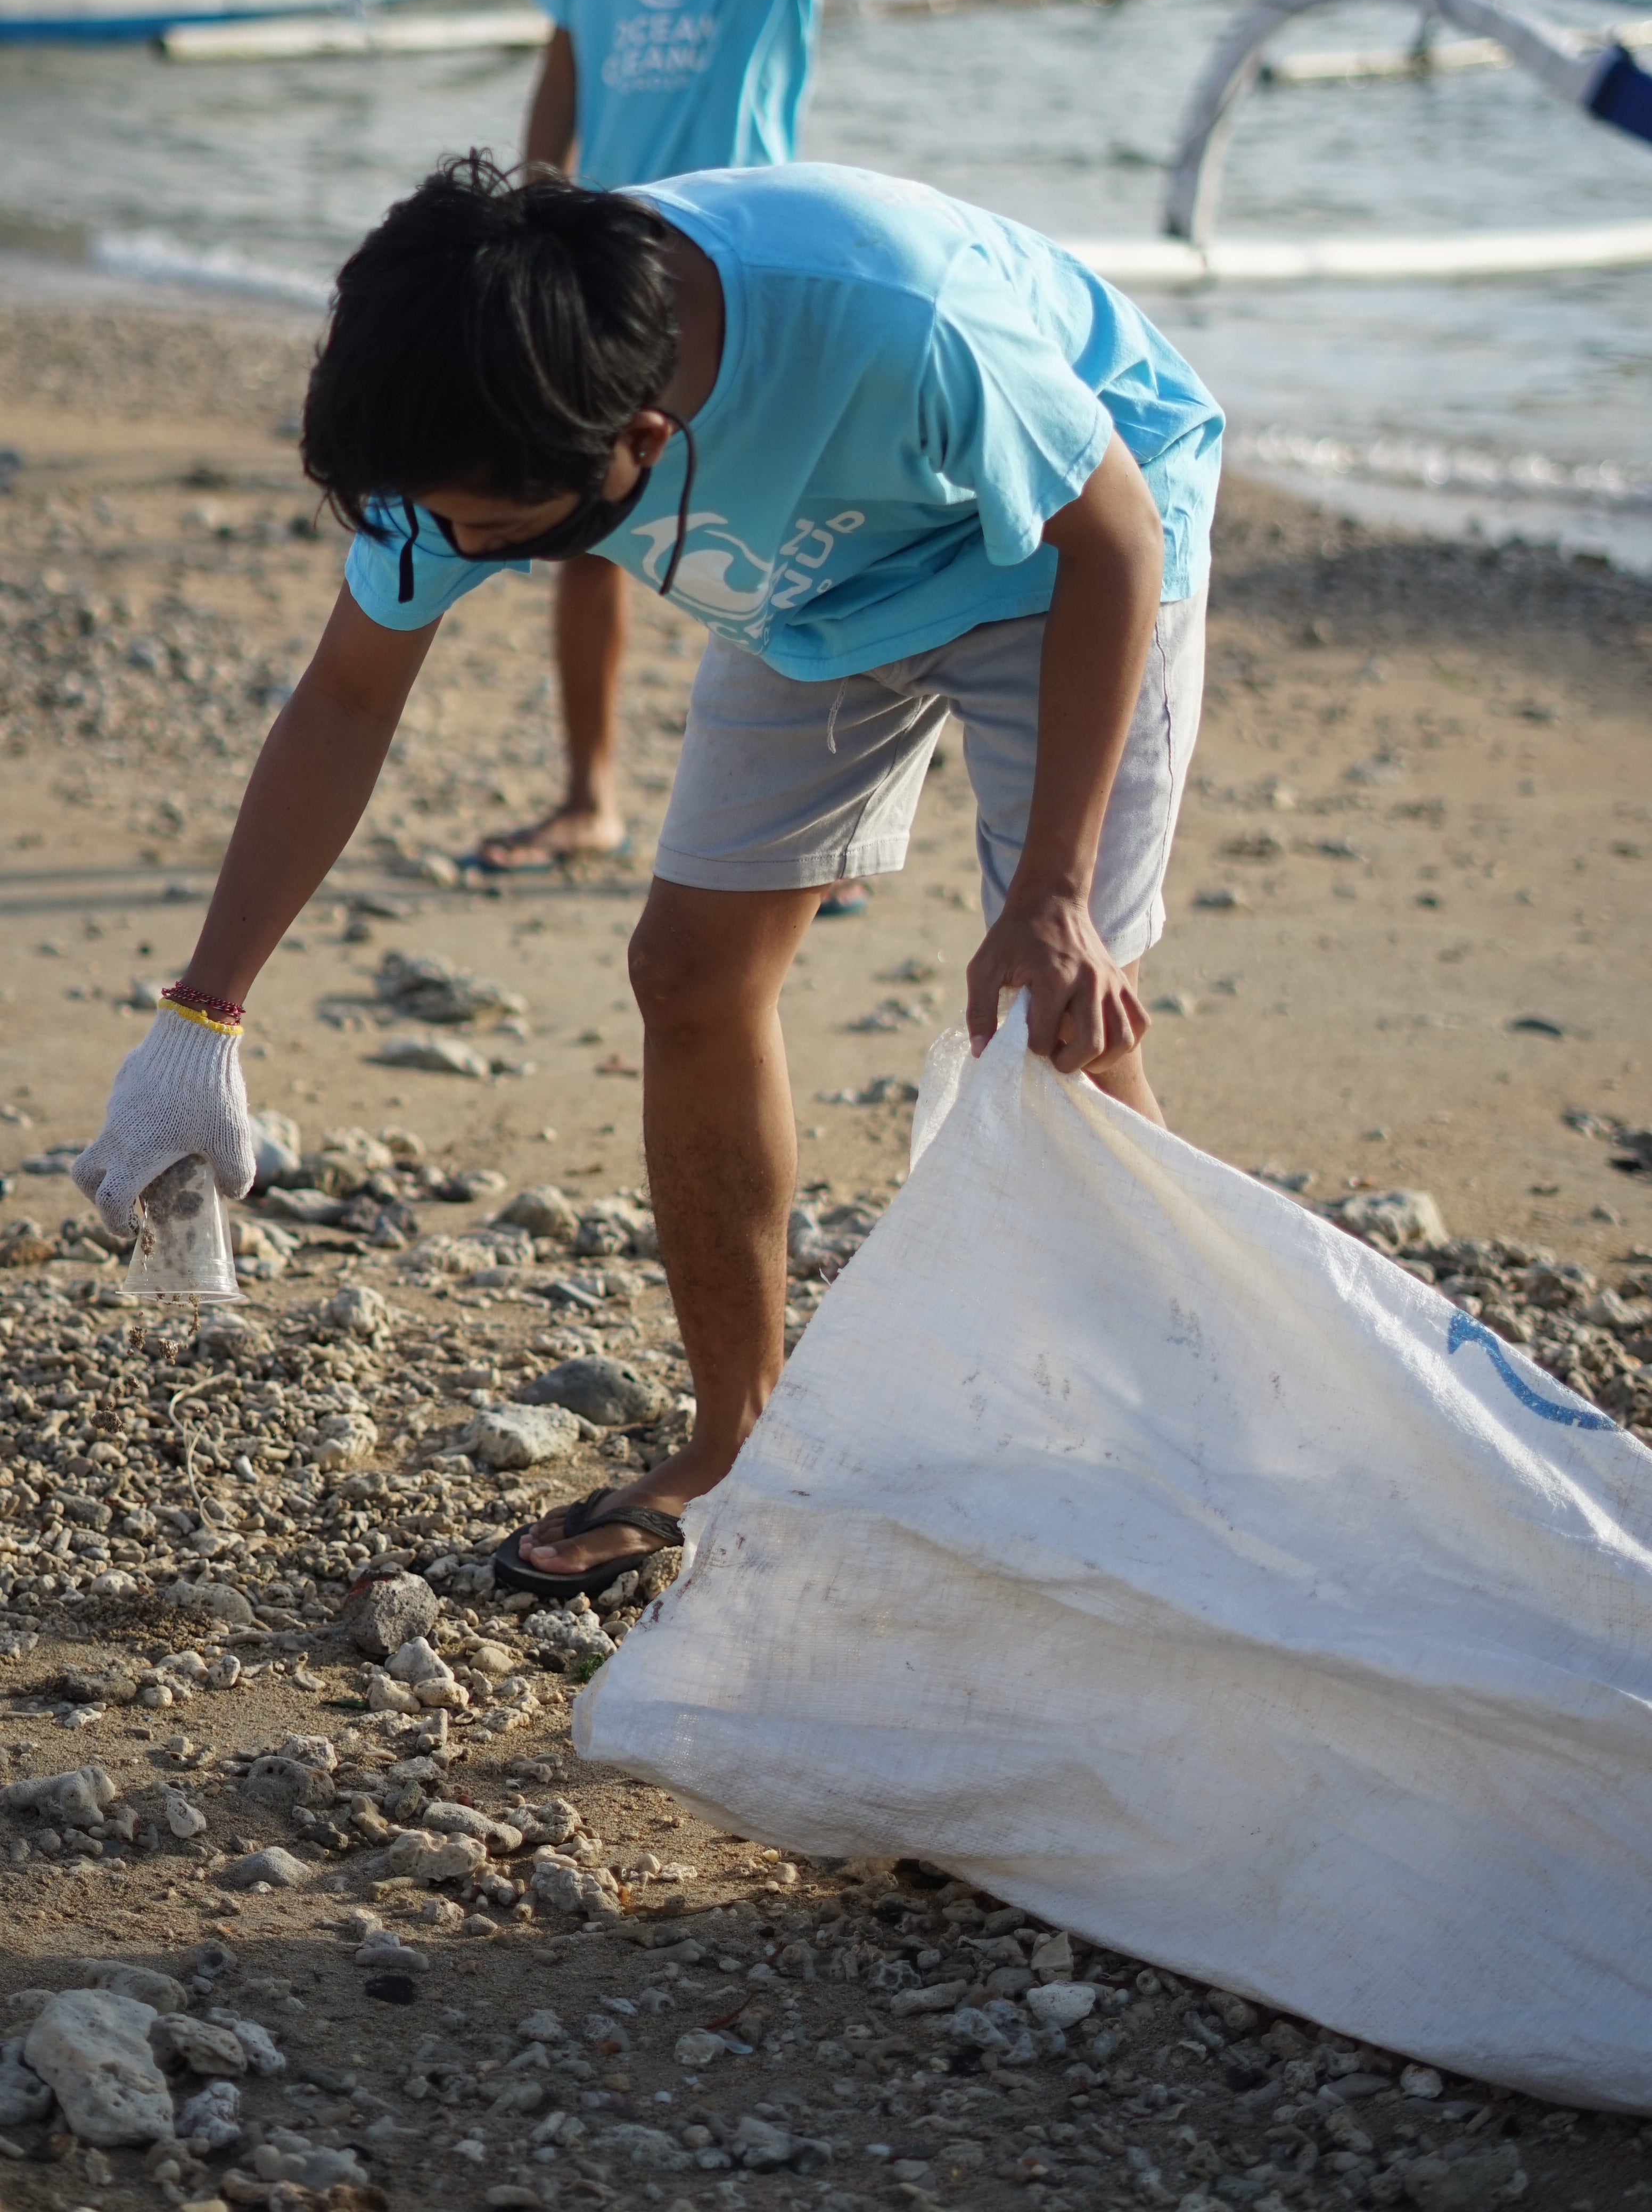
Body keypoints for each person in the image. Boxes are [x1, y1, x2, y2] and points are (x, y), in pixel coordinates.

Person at [73, 157, 1224, 1609]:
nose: (460, 554)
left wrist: (1051, 895)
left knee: (1060, 1031)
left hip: (1064, 556)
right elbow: (347, 700)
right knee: (687, 973)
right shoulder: (469, 406)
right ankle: (742, 1440)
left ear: (646, 436)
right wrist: (203, 1013)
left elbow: (1109, 530)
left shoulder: (894, 319)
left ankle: (1205, 1445)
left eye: (497, 532)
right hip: (812, 592)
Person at [472, 0, 863, 875]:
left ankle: (812, 827)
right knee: (585, 518)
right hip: (607, 253)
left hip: (747, 257)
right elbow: (569, 57)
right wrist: (531, 212)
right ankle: (590, 795)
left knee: (774, 534)